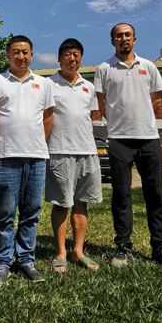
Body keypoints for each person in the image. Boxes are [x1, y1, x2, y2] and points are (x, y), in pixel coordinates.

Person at [94, 23, 162, 269]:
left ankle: (160, 248)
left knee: (155, 195)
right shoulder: (104, 69)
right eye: (118, 36)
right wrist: (119, 122)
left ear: (134, 39)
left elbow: (157, 101)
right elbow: (101, 103)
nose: (123, 38)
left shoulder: (149, 66)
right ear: (112, 40)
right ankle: (123, 248)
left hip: (148, 138)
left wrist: (141, 120)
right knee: (121, 195)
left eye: (127, 35)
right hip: (119, 140)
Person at [0, 35, 54, 283]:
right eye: (16, 52)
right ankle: (3, 261)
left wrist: (36, 141)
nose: (21, 56)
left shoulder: (43, 83)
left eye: (25, 52)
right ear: (8, 54)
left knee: (31, 211)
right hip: (7, 156)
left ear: (31, 55)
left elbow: (48, 117)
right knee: (5, 212)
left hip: (36, 156)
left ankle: (26, 259)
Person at [46, 38, 102, 274]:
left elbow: (93, 116)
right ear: (59, 58)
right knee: (61, 204)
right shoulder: (48, 84)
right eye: (68, 54)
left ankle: (78, 250)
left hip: (87, 151)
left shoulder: (88, 87)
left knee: (82, 202)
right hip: (60, 152)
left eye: (77, 54)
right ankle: (60, 252)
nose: (72, 58)